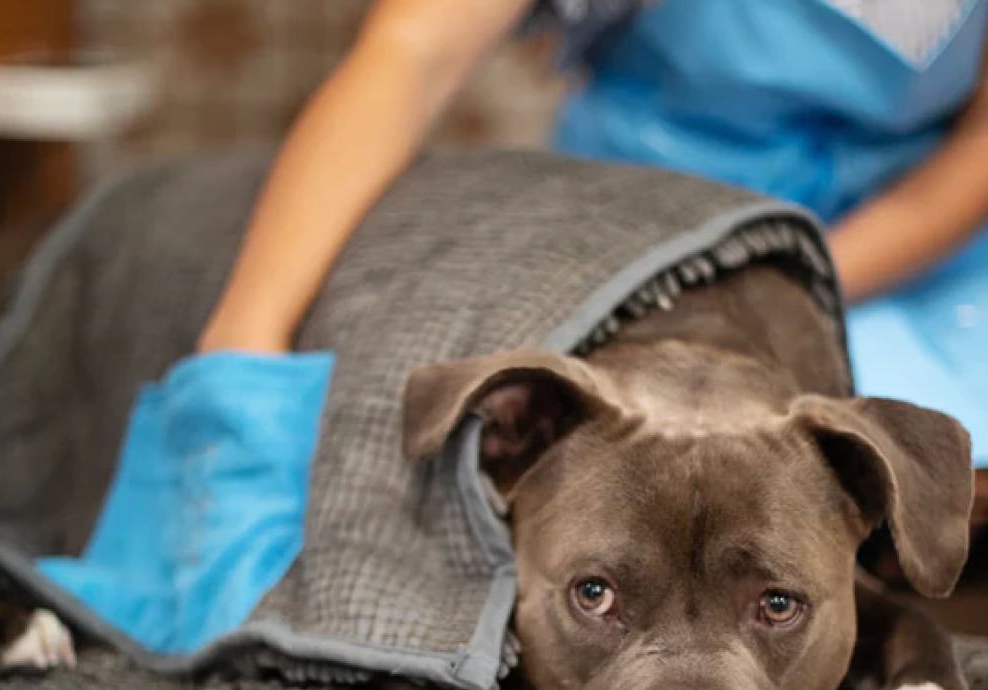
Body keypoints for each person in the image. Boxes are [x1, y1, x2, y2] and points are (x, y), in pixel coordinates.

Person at [195, 0, 988, 469]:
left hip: (903, 244)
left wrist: (789, 285)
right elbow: (413, 53)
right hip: (638, 221)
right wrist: (246, 334)